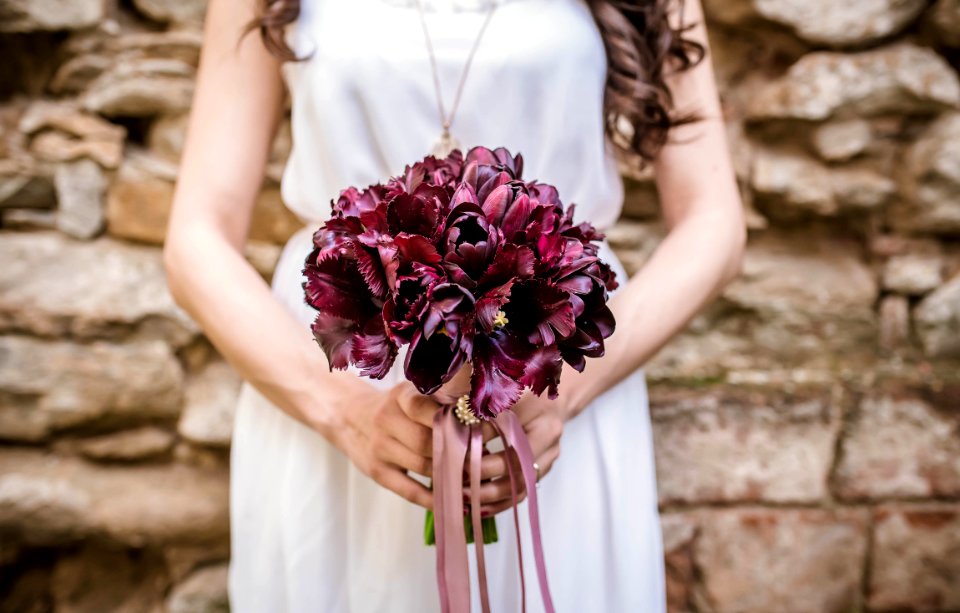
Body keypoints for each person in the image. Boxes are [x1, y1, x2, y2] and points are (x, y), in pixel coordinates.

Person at [163, 0, 745, 610]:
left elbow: (715, 224)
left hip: (558, 373)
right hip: (337, 374)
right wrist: (344, 412)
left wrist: (564, 395)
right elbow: (197, 238)